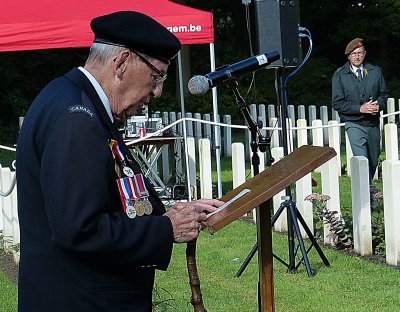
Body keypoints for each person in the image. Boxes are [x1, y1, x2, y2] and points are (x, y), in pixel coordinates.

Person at [16, 11, 223, 312]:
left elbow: (106, 200)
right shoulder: (78, 117)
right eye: (156, 76)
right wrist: (165, 230)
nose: (157, 91)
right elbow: (80, 229)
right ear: (122, 62)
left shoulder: (72, 99)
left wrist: (171, 214)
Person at [332, 37, 388, 184]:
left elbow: (384, 95)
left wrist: (379, 105)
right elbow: (337, 103)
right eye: (354, 53)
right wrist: (360, 108)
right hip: (354, 123)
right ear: (349, 56)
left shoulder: (375, 71)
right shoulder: (340, 75)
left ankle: (367, 190)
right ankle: (367, 198)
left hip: (373, 123)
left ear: (364, 54)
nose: (357, 56)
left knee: (373, 159)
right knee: (362, 160)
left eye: (360, 53)